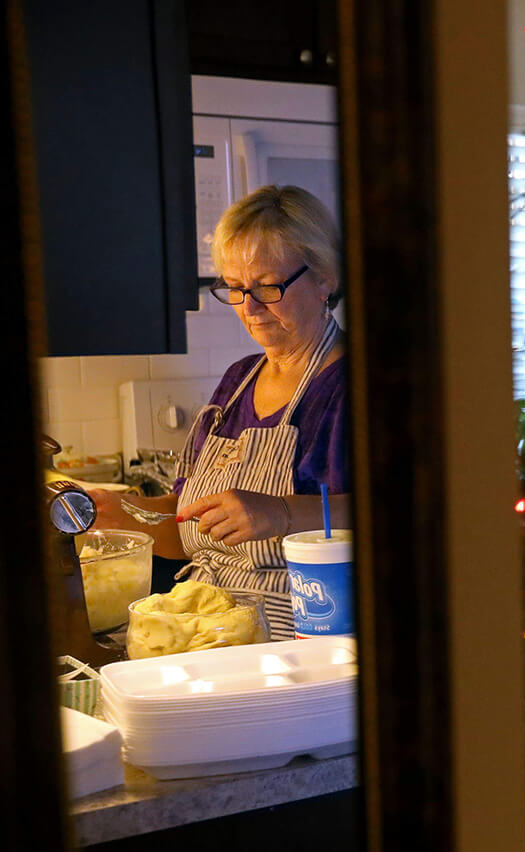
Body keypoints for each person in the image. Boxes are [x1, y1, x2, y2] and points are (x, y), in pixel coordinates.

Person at [90, 185, 350, 640]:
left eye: (267, 286)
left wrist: (282, 513)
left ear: (324, 277)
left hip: (304, 639)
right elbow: (187, 526)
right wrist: (123, 513)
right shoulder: (238, 380)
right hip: (209, 626)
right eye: (234, 288)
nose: (249, 308)